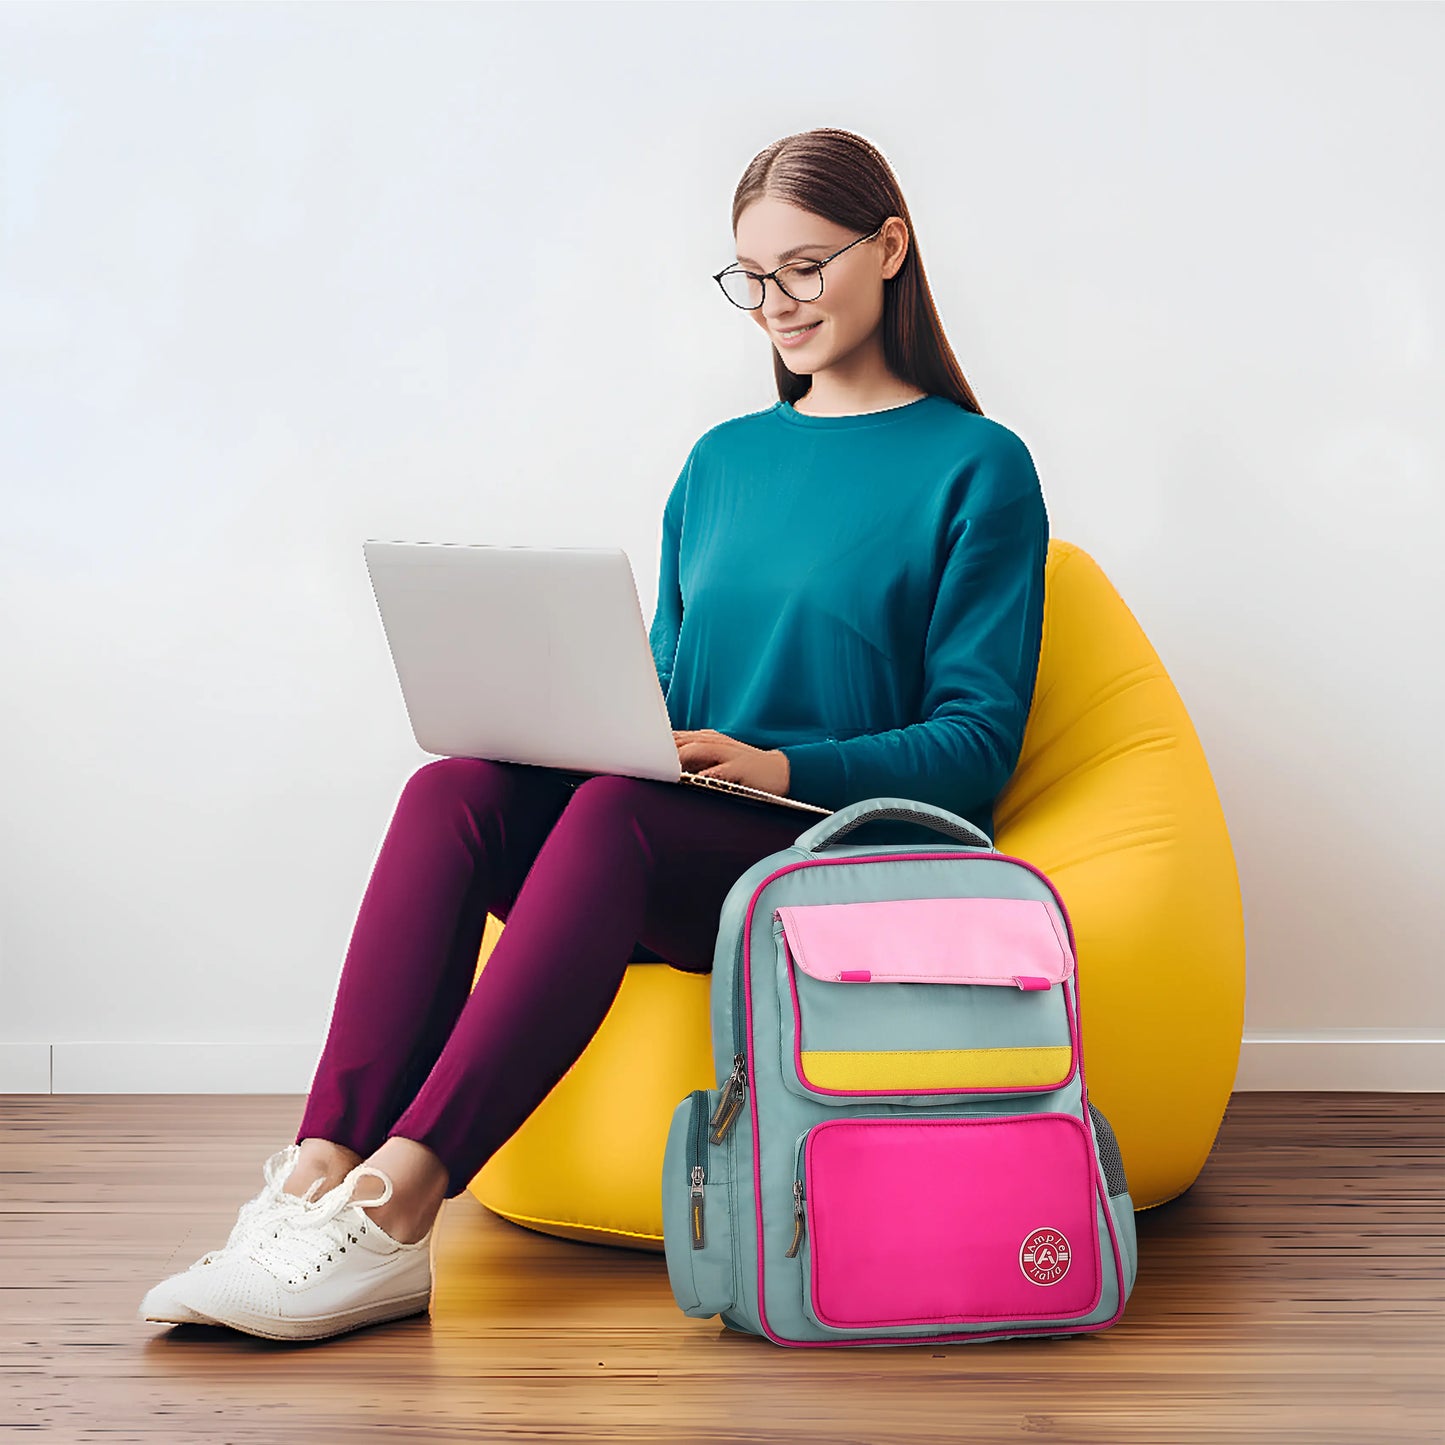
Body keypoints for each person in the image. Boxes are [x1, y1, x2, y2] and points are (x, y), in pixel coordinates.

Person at [139, 125, 1049, 1342]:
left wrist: (778, 765)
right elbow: (667, 691)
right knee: (453, 789)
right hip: (684, 832)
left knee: (619, 815)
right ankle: (315, 1173)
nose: (773, 303)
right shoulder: (717, 464)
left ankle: (400, 1203)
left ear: (887, 249)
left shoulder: (978, 467)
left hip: (837, 849)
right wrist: (596, 727)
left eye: (802, 266)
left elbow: (977, 742)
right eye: (749, 277)